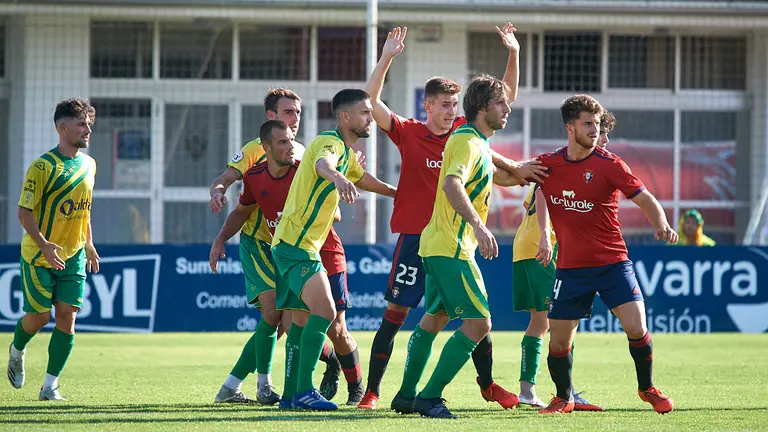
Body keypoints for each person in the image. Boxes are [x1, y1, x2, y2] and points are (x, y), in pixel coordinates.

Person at [358, 23, 546, 411]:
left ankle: (449, 390)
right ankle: (389, 393)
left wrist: (513, 53)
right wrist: (387, 57)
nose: (450, 111)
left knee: (438, 319)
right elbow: (370, 103)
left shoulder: (466, 135)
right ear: (427, 106)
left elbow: (502, 101)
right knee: (449, 319)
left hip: (448, 241)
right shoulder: (416, 133)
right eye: (443, 104)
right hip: (429, 238)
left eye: (453, 105)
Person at [390, 74, 528, 419]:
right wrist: (479, 226)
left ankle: (407, 396)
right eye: (500, 103)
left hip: (438, 244)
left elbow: (508, 177)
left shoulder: (476, 141)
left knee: (433, 321)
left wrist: (529, 171)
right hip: (451, 247)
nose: (507, 108)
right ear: (482, 108)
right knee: (479, 324)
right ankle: (429, 397)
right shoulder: (467, 141)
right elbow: (452, 184)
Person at [534, 95, 677, 414]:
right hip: (570, 269)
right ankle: (563, 397)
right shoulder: (548, 164)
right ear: (570, 128)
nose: (594, 130)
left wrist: (662, 223)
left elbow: (646, 199)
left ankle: (647, 388)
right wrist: (544, 232)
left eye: (597, 124)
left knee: (637, 326)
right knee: (558, 342)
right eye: (587, 124)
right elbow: (538, 188)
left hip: (614, 264)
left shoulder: (610, 164)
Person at [209, 120, 365, 407]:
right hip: (288, 248)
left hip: (323, 248)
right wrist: (220, 237)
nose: (291, 141)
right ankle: (293, 390)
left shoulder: (306, 164)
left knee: (334, 326)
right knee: (287, 317)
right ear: (265, 145)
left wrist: (340, 179)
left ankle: (354, 388)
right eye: (288, 114)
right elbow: (240, 207)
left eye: (297, 118)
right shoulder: (254, 170)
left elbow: (338, 212)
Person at [271, 89, 396, 411]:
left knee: (299, 323)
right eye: (365, 113)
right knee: (325, 314)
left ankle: (290, 396)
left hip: (293, 243)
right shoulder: (331, 144)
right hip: (297, 245)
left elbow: (364, 179)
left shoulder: (346, 152)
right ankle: (304, 392)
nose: (371, 118)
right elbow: (325, 164)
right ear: (344, 117)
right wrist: (338, 177)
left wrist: (396, 193)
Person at [510, 110, 619, 410]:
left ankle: (542, 390)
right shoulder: (567, 165)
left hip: (530, 245)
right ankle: (549, 391)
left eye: (605, 136)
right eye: (602, 137)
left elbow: (532, 199)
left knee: (547, 321)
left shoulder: (573, 166)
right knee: (554, 321)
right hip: (543, 248)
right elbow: (542, 195)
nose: (604, 143)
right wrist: (546, 235)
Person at [7, 98, 100, 401]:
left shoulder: (89, 164)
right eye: (81, 124)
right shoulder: (43, 167)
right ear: (63, 127)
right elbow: (24, 212)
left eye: (89, 124)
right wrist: (45, 245)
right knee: (39, 318)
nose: (88, 130)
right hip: (38, 255)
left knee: (67, 317)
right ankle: (17, 348)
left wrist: (88, 242)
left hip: (72, 255)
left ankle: (50, 386)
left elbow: (83, 210)